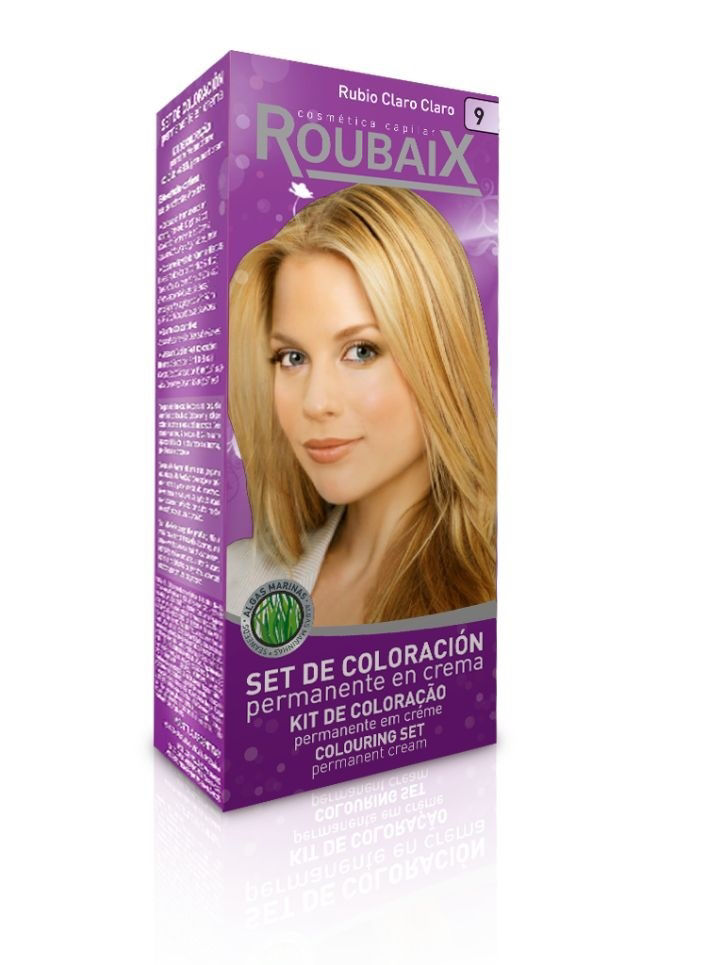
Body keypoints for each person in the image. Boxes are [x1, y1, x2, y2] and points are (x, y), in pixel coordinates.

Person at [226, 183, 496, 626]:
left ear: (441, 356)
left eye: (361, 351)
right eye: (292, 358)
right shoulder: (237, 582)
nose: (316, 403)